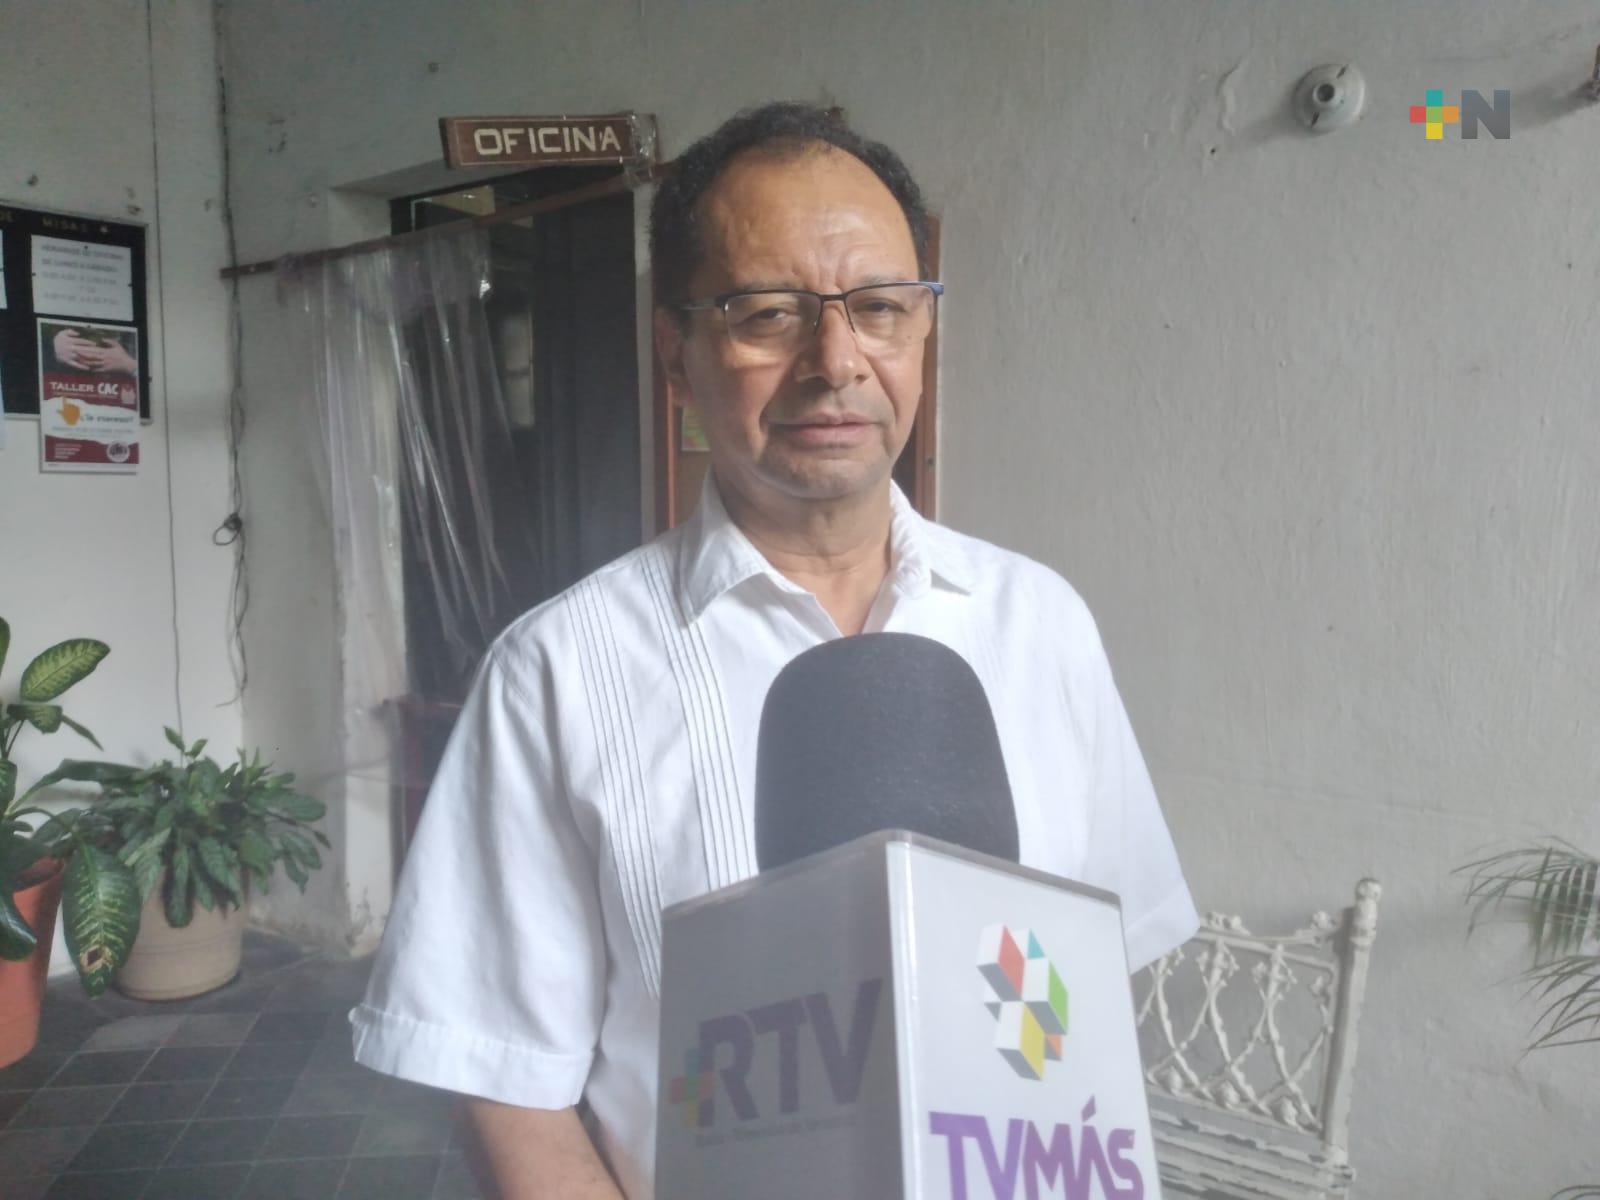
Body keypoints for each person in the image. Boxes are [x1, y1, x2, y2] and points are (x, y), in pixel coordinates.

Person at [351, 101, 1200, 1199]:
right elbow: (504, 1076)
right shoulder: (558, 673)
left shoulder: (1041, 623)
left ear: (921, 331)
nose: (836, 361)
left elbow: (1097, 972)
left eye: (880, 308)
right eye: (767, 314)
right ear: (676, 353)